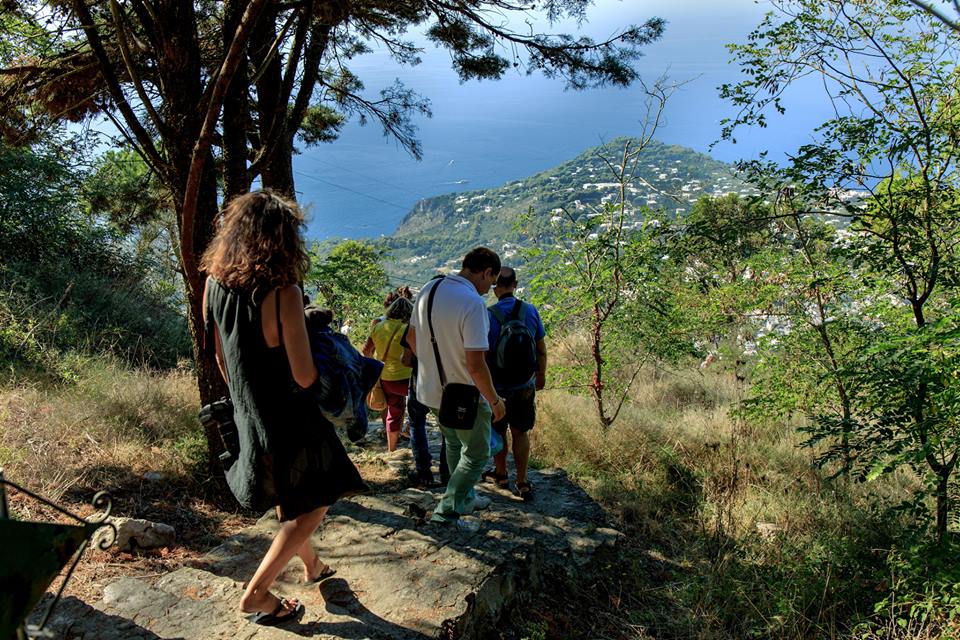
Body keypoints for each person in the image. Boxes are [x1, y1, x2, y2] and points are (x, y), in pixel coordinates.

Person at [201, 190, 367, 626]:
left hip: (246, 410)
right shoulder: (283, 293)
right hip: (289, 418)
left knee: (290, 495)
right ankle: (257, 593)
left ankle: (312, 566)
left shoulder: (213, 285)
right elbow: (305, 375)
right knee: (316, 502)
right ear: (282, 239)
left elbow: (219, 357)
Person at [406, 247, 507, 528]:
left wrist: (438, 366)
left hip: (430, 391)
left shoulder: (429, 288)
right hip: (463, 395)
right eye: (492, 281)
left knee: (452, 442)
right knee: (476, 454)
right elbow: (476, 365)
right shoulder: (472, 303)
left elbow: (412, 340)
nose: (490, 289)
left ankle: (465, 498)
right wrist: (495, 401)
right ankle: (447, 510)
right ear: (486, 272)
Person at [482, 267, 547, 501]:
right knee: (521, 432)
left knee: (498, 431)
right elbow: (541, 349)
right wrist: (540, 377)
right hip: (524, 385)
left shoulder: (488, 315)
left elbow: (483, 354)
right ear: (515, 284)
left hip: (497, 387)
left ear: (495, 287)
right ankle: (522, 481)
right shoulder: (530, 311)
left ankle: (500, 475)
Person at [363, 296, 413, 452]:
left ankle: (391, 449)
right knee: (420, 408)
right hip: (407, 378)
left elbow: (366, 350)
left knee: (394, 411)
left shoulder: (378, 327)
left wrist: (375, 365)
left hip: (386, 377)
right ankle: (409, 432)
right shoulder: (408, 329)